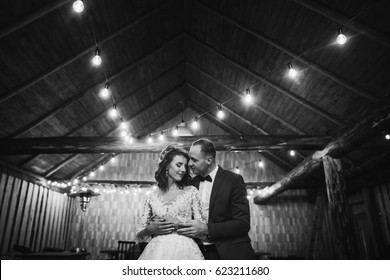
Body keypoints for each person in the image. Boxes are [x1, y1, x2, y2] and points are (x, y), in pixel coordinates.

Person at [177, 138, 255, 260]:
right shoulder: (189, 184)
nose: (189, 164)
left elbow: (242, 223)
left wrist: (208, 229)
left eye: (194, 159)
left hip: (231, 253)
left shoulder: (234, 180)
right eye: (189, 158)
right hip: (198, 254)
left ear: (209, 159)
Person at [136, 145, 206, 260]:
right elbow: (139, 236)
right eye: (179, 165)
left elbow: (202, 230)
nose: (183, 170)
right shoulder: (152, 196)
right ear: (167, 166)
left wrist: (178, 224)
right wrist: (150, 230)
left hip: (185, 252)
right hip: (156, 253)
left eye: (185, 166)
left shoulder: (191, 192)